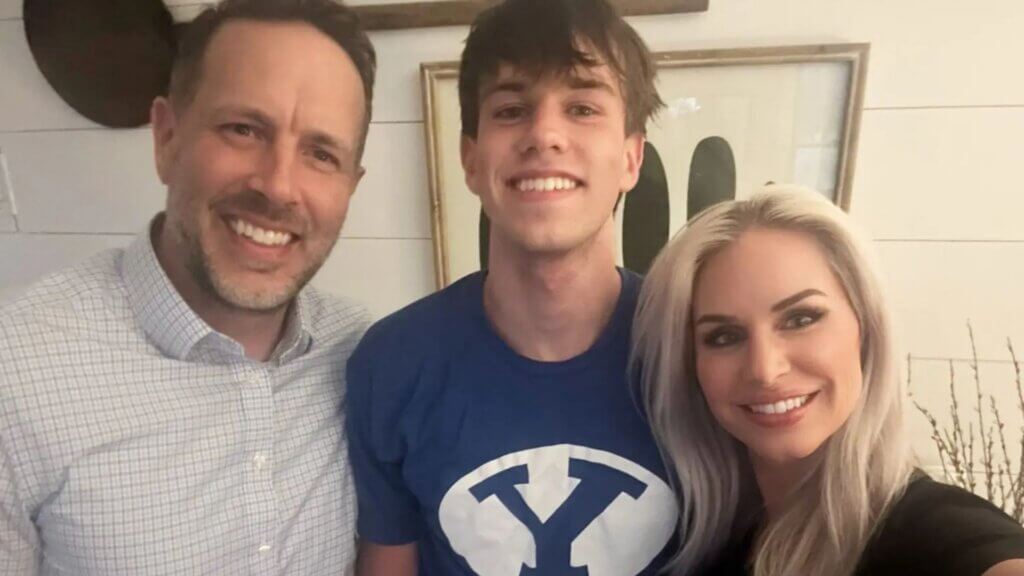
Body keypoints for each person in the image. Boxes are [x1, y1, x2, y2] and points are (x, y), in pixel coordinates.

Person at [0, 0, 376, 573]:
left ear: (351, 185)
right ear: (167, 137)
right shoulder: (17, 373)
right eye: (243, 129)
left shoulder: (366, 357)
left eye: (321, 154)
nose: (278, 186)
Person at [345, 0, 677, 574]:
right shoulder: (391, 363)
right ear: (471, 159)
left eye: (581, 106)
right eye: (511, 109)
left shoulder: (694, 347)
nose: (544, 133)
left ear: (631, 157)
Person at [632, 187, 1024, 576]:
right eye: (724, 337)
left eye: (801, 319)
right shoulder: (713, 534)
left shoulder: (929, 531)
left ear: (866, 327)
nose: (766, 369)